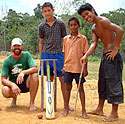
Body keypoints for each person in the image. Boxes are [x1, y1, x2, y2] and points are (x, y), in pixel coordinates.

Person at [77, 3, 124, 122]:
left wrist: (116, 49)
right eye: (84, 17)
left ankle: (114, 113)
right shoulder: (94, 28)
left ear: (92, 10)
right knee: (102, 82)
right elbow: (94, 43)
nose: (87, 18)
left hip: (112, 57)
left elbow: (120, 30)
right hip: (105, 57)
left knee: (113, 83)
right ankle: (99, 108)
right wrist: (86, 55)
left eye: (87, 14)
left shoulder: (103, 21)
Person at [39, 2, 73, 111]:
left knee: (62, 78)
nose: (47, 13)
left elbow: (65, 40)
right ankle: (50, 103)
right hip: (46, 54)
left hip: (59, 54)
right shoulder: (41, 26)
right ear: (42, 12)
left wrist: (66, 54)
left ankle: (66, 105)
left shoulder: (60, 24)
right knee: (49, 79)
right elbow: (41, 42)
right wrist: (41, 57)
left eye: (49, 10)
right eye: (45, 11)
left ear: (53, 10)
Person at [1, 38, 39, 111]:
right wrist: (13, 85)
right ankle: (14, 98)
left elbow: (35, 69)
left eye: (18, 45)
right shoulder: (7, 61)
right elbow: (3, 80)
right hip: (14, 84)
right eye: (14, 46)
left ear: (22, 46)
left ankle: (32, 103)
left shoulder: (26, 55)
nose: (16, 47)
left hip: (26, 82)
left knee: (34, 75)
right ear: (11, 47)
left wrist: (23, 72)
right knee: (5, 90)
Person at [62, 16, 89, 118]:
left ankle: (83, 110)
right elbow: (64, 54)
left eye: (75, 25)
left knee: (80, 88)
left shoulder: (83, 39)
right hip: (68, 67)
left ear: (78, 26)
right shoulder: (65, 39)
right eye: (71, 25)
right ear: (69, 26)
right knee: (67, 87)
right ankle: (66, 108)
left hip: (79, 67)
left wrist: (85, 69)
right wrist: (63, 66)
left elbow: (85, 54)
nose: (73, 27)